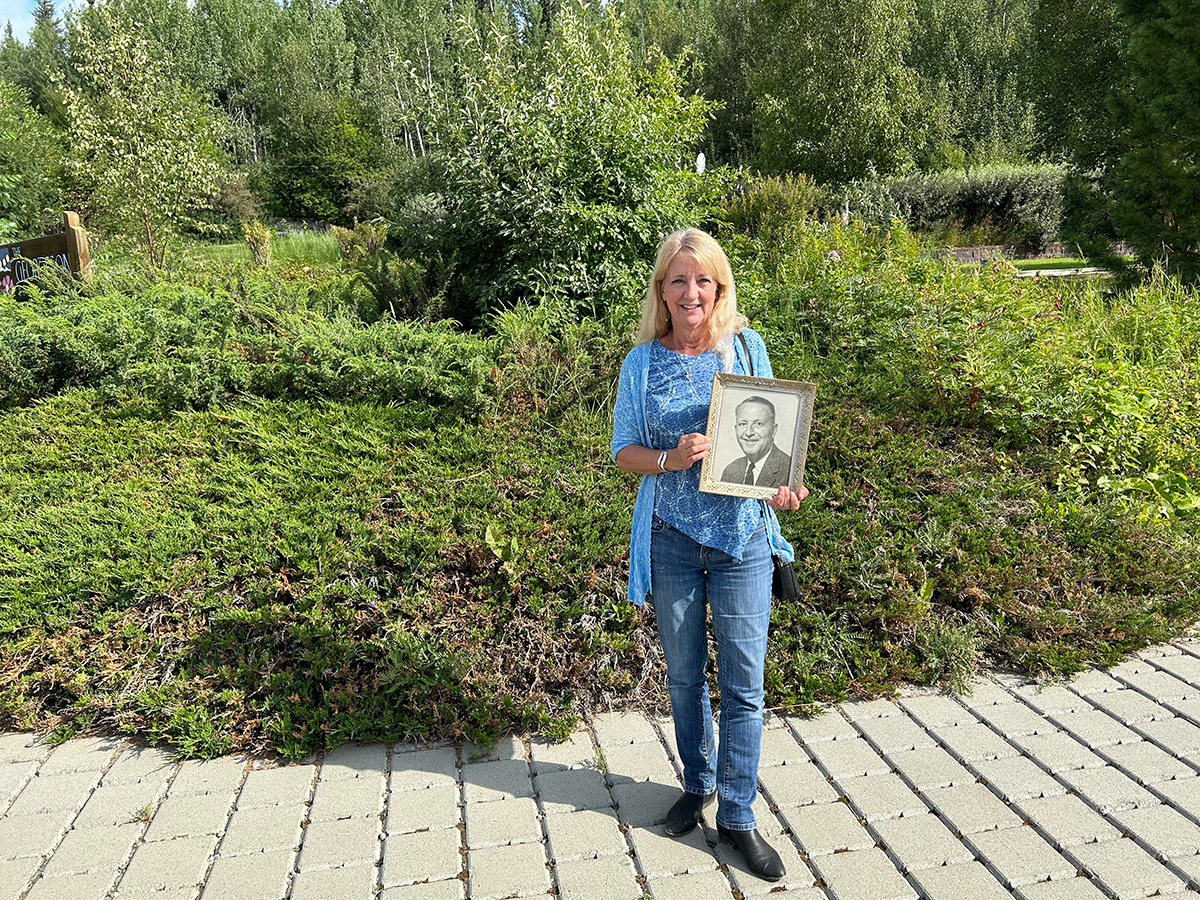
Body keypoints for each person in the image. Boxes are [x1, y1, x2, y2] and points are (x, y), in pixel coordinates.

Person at [610, 228, 808, 882]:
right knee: (685, 677)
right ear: (662, 289)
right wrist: (671, 458)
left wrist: (782, 490)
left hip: (743, 543)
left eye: (704, 281)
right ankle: (697, 787)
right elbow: (622, 453)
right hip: (670, 540)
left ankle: (739, 816)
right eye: (678, 280)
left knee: (745, 688)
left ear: (718, 288)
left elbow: (775, 445)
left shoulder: (747, 348)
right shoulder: (641, 362)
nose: (691, 292)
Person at [720, 396, 793, 488]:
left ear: (773, 430)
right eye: (743, 424)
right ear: (736, 429)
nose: (748, 432)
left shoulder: (789, 471)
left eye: (758, 424)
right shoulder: (731, 470)